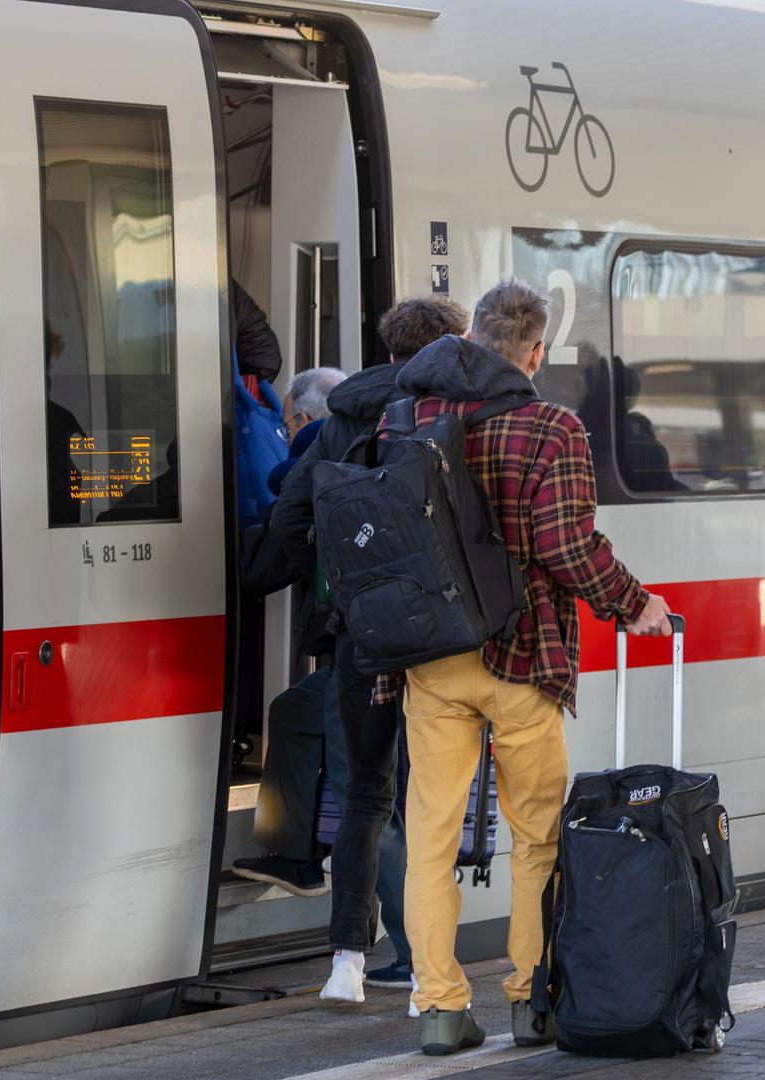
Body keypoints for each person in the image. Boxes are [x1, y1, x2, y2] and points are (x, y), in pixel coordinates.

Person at [386, 280, 672, 1056]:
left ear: (472, 337)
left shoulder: (410, 416)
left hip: (434, 658)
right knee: (536, 839)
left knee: (431, 842)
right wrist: (632, 603)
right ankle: (529, 1001)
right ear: (535, 352)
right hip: (522, 658)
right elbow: (567, 547)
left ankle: (441, 1007)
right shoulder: (551, 428)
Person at [264, 296, 472, 1005]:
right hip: (444, 639)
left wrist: (342, 592)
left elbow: (293, 514)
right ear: (452, 346)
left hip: (366, 636)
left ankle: (346, 963)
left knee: (365, 795)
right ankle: (429, 969)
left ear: (388, 350)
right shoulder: (461, 412)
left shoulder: (345, 416)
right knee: (431, 799)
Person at [233, 366, 348, 899]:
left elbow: (261, 567)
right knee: (296, 710)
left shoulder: (315, 467)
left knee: (363, 792)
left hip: (367, 658)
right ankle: (297, 855)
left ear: (302, 420)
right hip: (397, 647)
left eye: (284, 427)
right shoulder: (372, 447)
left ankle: (299, 859)